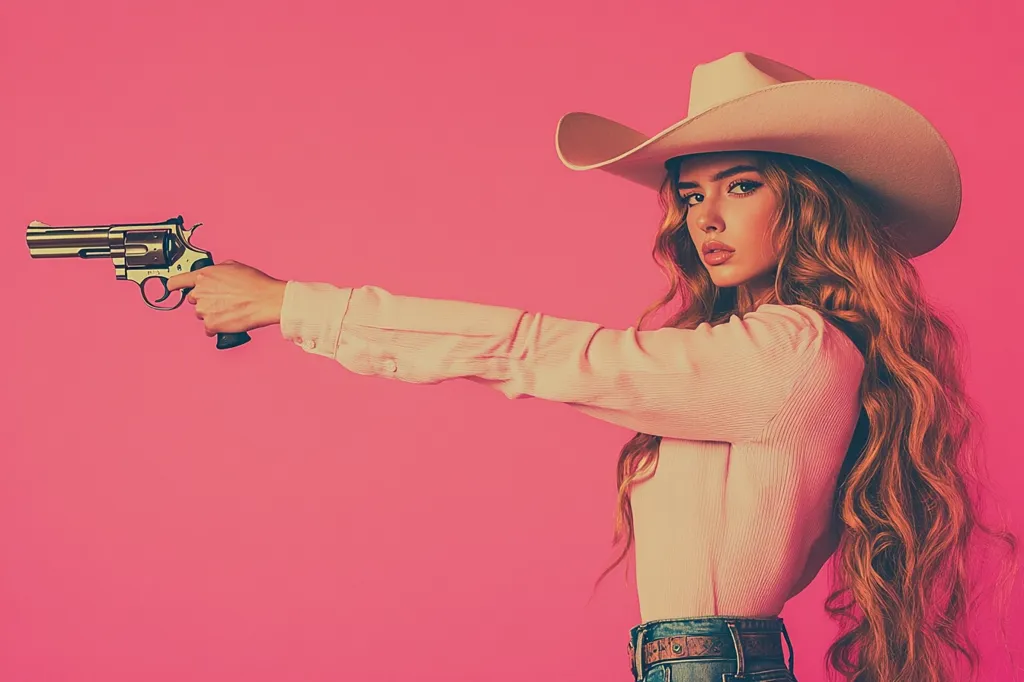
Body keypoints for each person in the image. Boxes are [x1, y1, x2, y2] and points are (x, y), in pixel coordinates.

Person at [166, 52, 1017, 682]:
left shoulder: (792, 349)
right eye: (691, 194)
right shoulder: (759, 349)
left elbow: (543, 351)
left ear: (807, 202)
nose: (706, 219)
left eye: (742, 186)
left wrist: (293, 305)